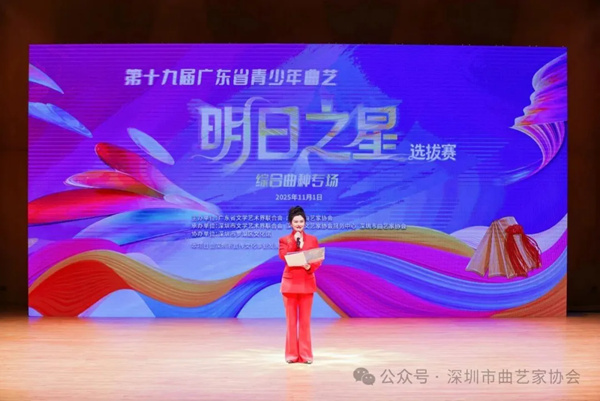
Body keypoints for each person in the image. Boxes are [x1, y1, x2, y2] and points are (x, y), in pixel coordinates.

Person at [278, 206, 323, 364]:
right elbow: (283, 256)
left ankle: (306, 355)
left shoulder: (312, 239)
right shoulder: (285, 240)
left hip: (306, 282)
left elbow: (317, 258)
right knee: (291, 322)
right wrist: (295, 242)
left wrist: (309, 266)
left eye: (301, 221)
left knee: (305, 322)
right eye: (296, 221)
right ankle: (291, 355)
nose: (299, 224)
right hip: (290, 285)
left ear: (305, 222)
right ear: (290, 223)